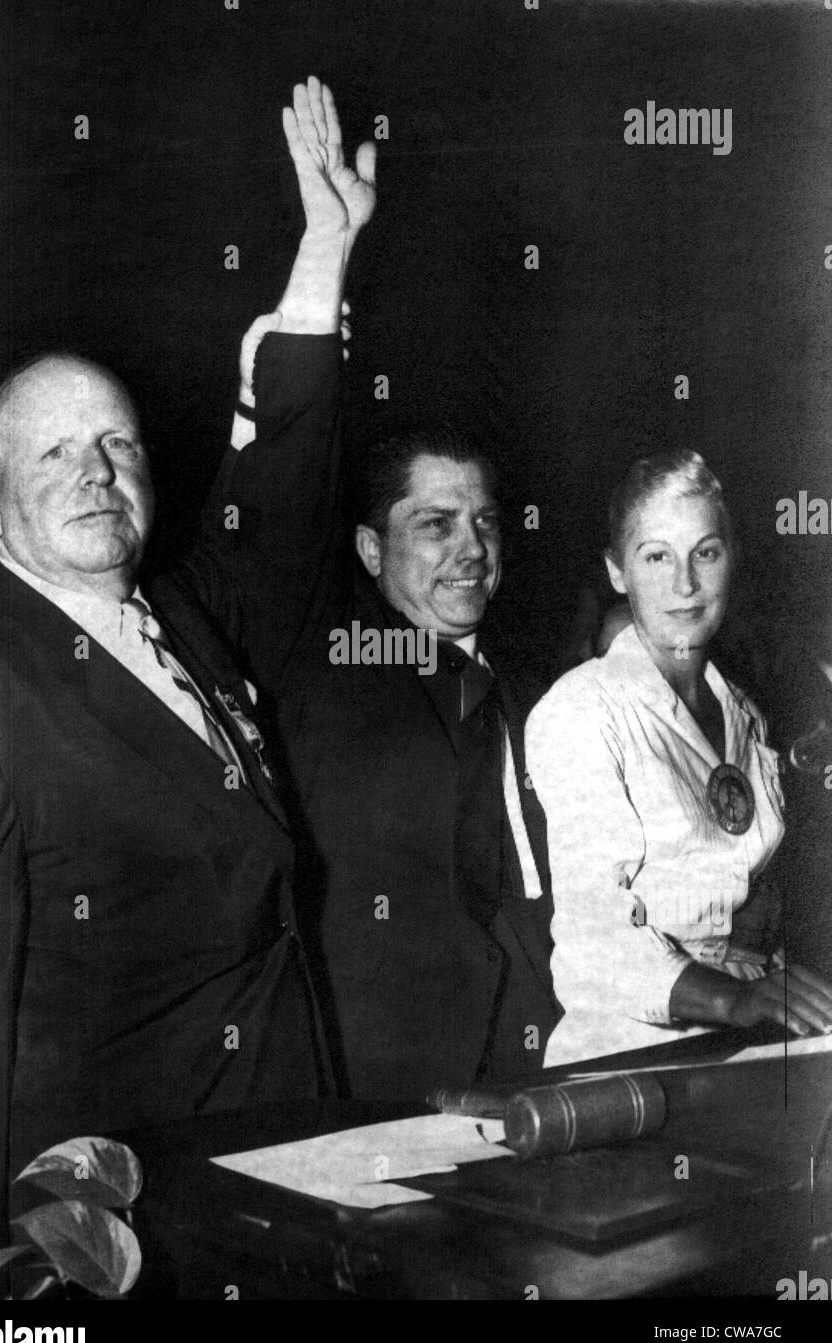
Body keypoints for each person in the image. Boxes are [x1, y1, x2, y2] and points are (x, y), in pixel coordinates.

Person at [0, 77, 372, 1274]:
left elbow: (280, 510)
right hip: (113, 1230)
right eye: (56, 451)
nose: (95, 471)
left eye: (117, 443)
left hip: (285, 1168)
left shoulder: (177, 610)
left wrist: (323, 251)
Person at [207, 87, 558, 1102]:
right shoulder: (316, 655)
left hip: (535, 1068)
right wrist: (328, 249)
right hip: (373, 1093)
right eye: (434, 524)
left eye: (485, 522)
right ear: (366, 548)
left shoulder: (534, 686)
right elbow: (273, 503)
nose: (471, 549)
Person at [525, 448, 832, 1066]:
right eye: (656, 556)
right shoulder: (583, 710)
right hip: (626, 1056)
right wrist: (737, 1000)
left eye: (706, 553)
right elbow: (595, 941)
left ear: (731, 560)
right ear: (618, 572)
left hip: (747, 1038)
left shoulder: (745, 712)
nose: (685, 584)